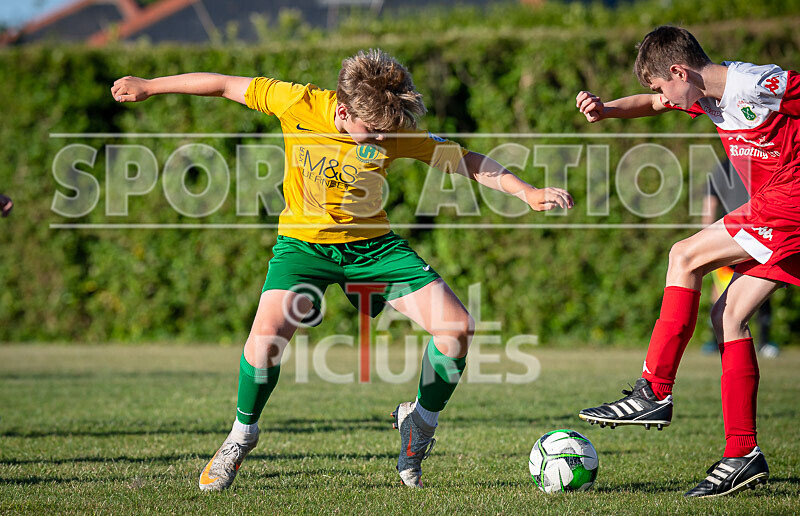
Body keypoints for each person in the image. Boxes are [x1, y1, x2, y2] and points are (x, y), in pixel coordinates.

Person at [111, 49, 574, 491]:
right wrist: (151, 86)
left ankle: (420, 423)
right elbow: (223, 85)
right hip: (304, 248)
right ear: (343, 111)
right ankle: (241, 436)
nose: (380, 141)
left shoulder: (389, 130)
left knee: (457, 329)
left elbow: (467, 161)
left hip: (373, 250)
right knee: (265, 338)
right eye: (371, 132)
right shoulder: (297, 101)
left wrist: (526, 192)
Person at [574, 25, 800, 497]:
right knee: (728, 315)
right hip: (780, 212)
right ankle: (743, 453)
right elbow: (650, 105)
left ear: (680, 70)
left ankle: (654, 390)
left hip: (789, 204)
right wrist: (606, 110)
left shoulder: (758, 84)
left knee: (684, 255)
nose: (664, 99)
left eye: (661, 86)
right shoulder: (704, 94)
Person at [701, 160, 779, 358]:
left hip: (732, 236)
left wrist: (706, 236)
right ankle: (764, 342)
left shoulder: (724, 165)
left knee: (721, 290)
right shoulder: (763, 159)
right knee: (760, 284)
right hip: (758, 234)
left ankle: (718, 341)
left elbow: (709, 203)